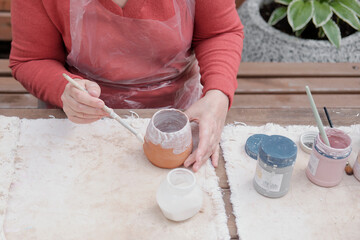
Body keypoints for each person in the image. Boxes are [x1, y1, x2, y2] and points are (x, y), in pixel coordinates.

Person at [10, 0, 244, 172]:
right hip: (79, 119)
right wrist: (63, 91)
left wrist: (217, 96)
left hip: (183, 114)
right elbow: (32, 58)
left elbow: (219, 32)